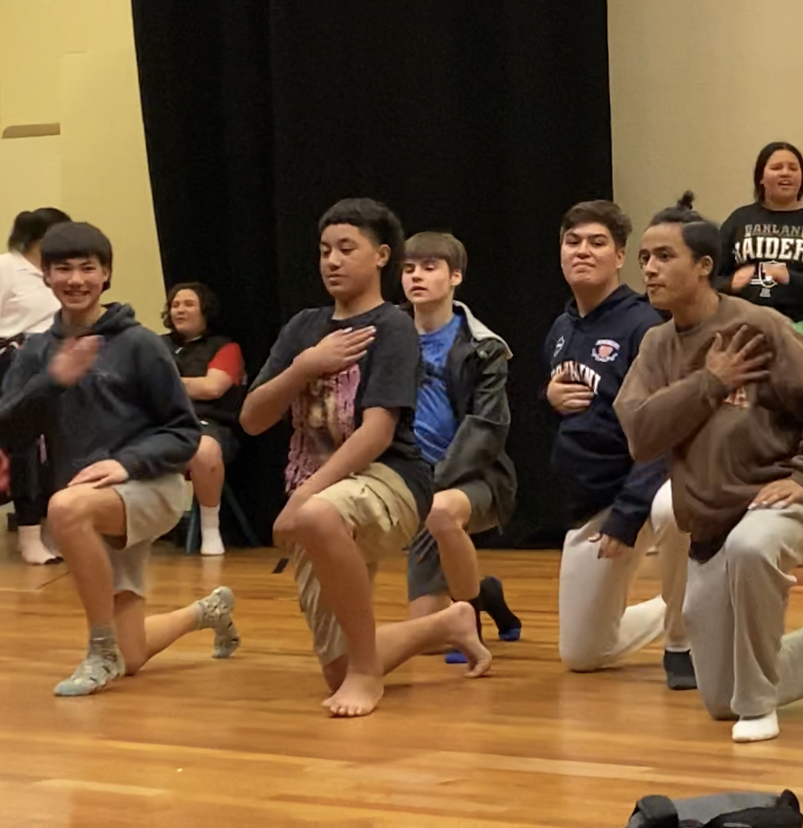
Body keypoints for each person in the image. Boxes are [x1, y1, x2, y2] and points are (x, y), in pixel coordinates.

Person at [617, 191, 803, 743]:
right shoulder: (656, 345)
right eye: (645, 258)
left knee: (752, 548)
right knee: (718, 701)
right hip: (709, 525)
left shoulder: (760, 325)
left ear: (704, 266)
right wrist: (710, 383)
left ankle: (759, 708)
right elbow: (640, 433)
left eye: (664, 257)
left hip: (775, 506)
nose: (649, 269)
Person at [241, 199, 491, 718]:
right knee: (336, 666)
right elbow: (251, 418)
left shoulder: (392, 326)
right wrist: (304, 367)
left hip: (390, 478)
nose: (331, 260)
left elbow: (377, 433)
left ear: (380, 256)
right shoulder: (303, 328)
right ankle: (447, 624)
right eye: (324, 250)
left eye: (346, 248)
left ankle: (367, 675)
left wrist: (303, 497)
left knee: (316, 515)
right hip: (319, 492)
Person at [0, 221, 239, 696]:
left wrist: (126, 464)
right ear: (46, 276)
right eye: (63, 269)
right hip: (89, 500)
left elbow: (184, 432)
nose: (76, 280)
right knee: (133, 657)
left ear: (106, 274)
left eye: (87, 268)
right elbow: (9, 430)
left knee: (65, 508)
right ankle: (208, 611)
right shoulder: (36, 352)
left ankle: (99, 649)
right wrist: (53, 381)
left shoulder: (140, 344)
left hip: (148, 486)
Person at [545, 199, 694, 690]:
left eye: (597, 242)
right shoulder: (562, 329)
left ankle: (688, 626)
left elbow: (665, 432)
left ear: (620, 256)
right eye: (572, 242)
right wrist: (548, 396)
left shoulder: (644, 325)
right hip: (591, 500)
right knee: (582, 654)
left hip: (641, 490)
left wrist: (628, 514)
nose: (582, 251)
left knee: (675, 510)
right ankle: (687, 605)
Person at [715, 141, 803, 588]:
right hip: (748, 340)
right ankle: (752, 544)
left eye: (794, 166)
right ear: (761, 175)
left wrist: (789, 277)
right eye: (776, 166)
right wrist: (738, 281)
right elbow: (713, 279)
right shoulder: (739, 221)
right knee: (748, 440)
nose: (786, 173)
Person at [399, 231, 521, 643]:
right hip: (412, 476)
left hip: (473, 477)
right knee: (429, 640)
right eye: (408, 268)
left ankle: (470, 623)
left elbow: (487, 430)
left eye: (429, 267)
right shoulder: (388, 335)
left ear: (455, 277)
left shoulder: (484, 347)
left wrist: (432, 483)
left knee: (439, 512)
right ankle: (484, 592)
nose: (416, 276)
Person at [0, 207, 70, 564]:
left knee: (59, 446)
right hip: (16, 363)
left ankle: (53, 529)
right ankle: (28, 532)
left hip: (58, 363)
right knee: (24, 446)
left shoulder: (57, 272)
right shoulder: (7, 268)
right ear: (38, 239)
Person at [162, 282, 247, 556]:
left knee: (205, 449)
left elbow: (212, 388)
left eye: (188, 304)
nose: (179, 310)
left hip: (209, 425)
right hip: (161, 426)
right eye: (175, 305)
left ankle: (210, 531)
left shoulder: (225, 347)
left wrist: (163, 383)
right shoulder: (155, 345)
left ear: (205, 311)